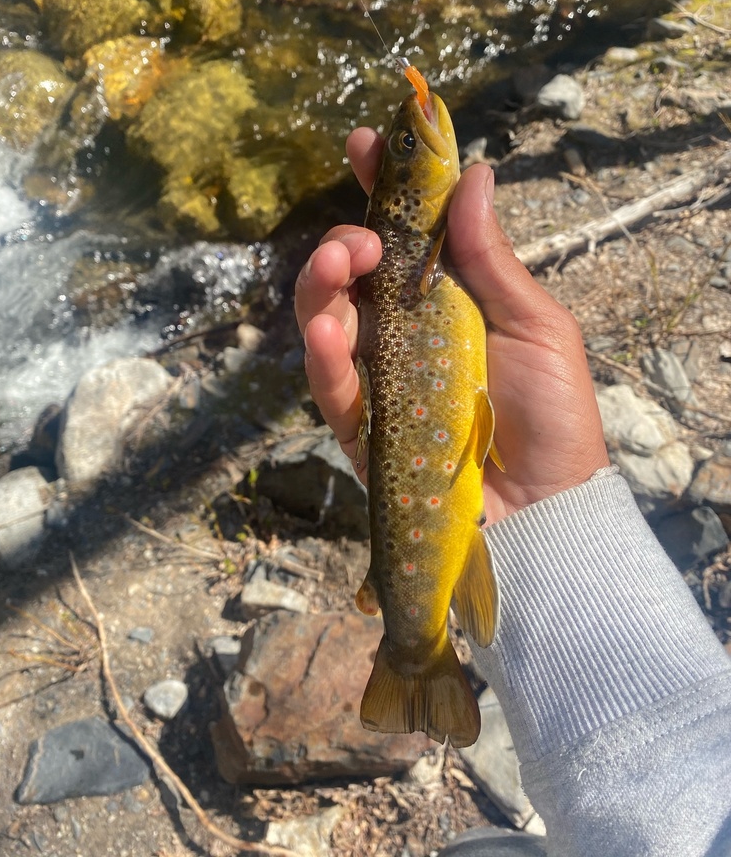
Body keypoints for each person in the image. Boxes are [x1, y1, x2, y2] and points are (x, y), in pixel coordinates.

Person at [294, 126, 731, 857]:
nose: (419, 131)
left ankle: (415, 649)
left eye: (406, 143)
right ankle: (416, 646)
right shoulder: (416, 247)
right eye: (410, 143)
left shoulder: (425, 245)